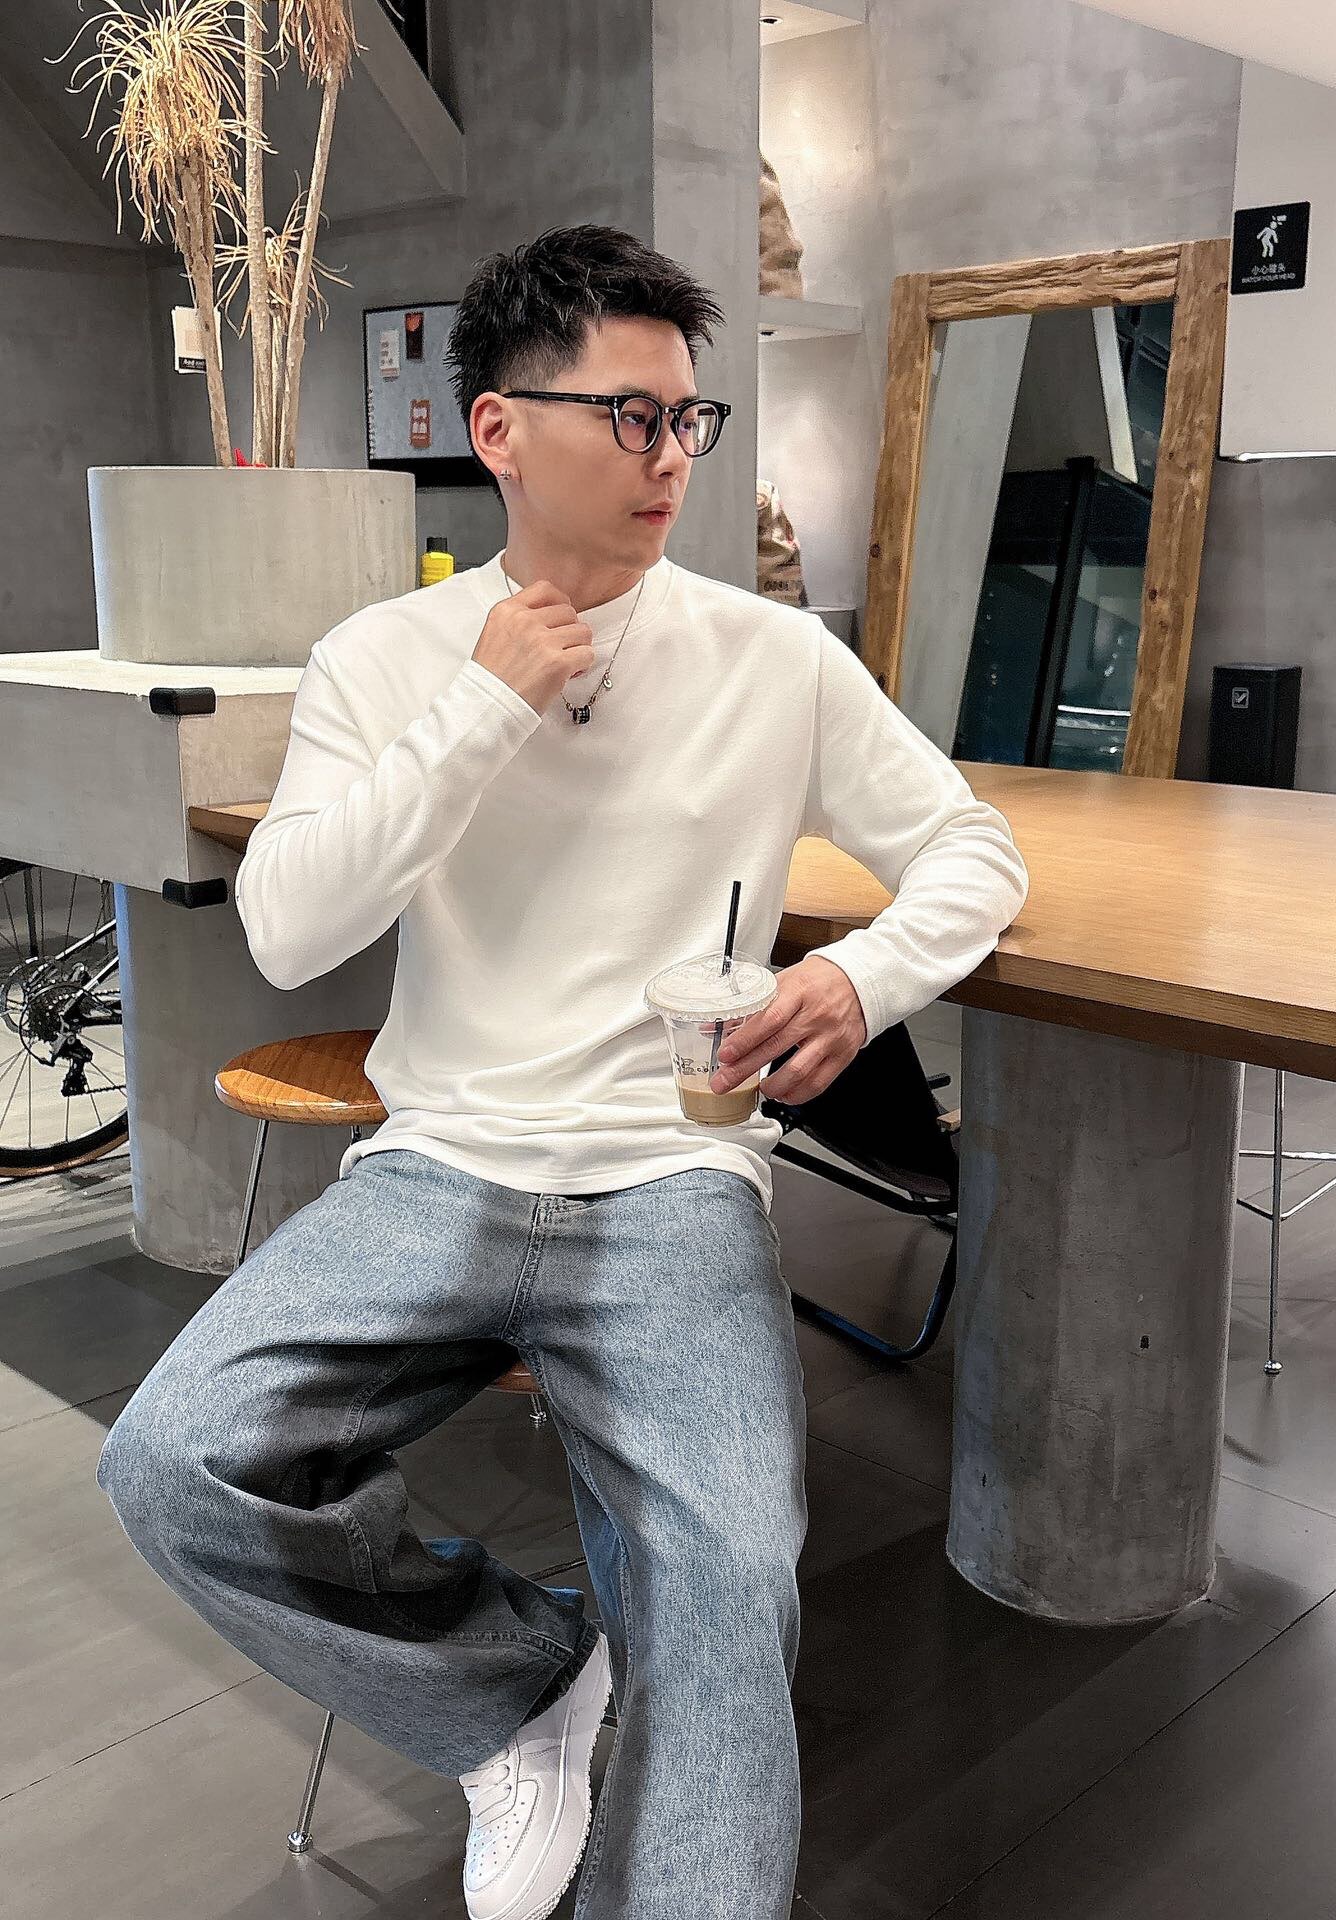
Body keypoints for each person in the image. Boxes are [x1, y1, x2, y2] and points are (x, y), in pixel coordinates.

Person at [95, 223, 1029, 1920]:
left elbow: (973, 850)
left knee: (729, 1581)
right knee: (172, 1462)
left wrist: (860, 976)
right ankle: (518, 1690)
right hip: (440, 1162)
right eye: (632, 417)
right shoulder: (385, 657)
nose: (673, 457)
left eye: (689, 419)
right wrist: (485, 707)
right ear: (501, 431)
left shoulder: (772, 658)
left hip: (674, 1173)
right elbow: (288, 932)